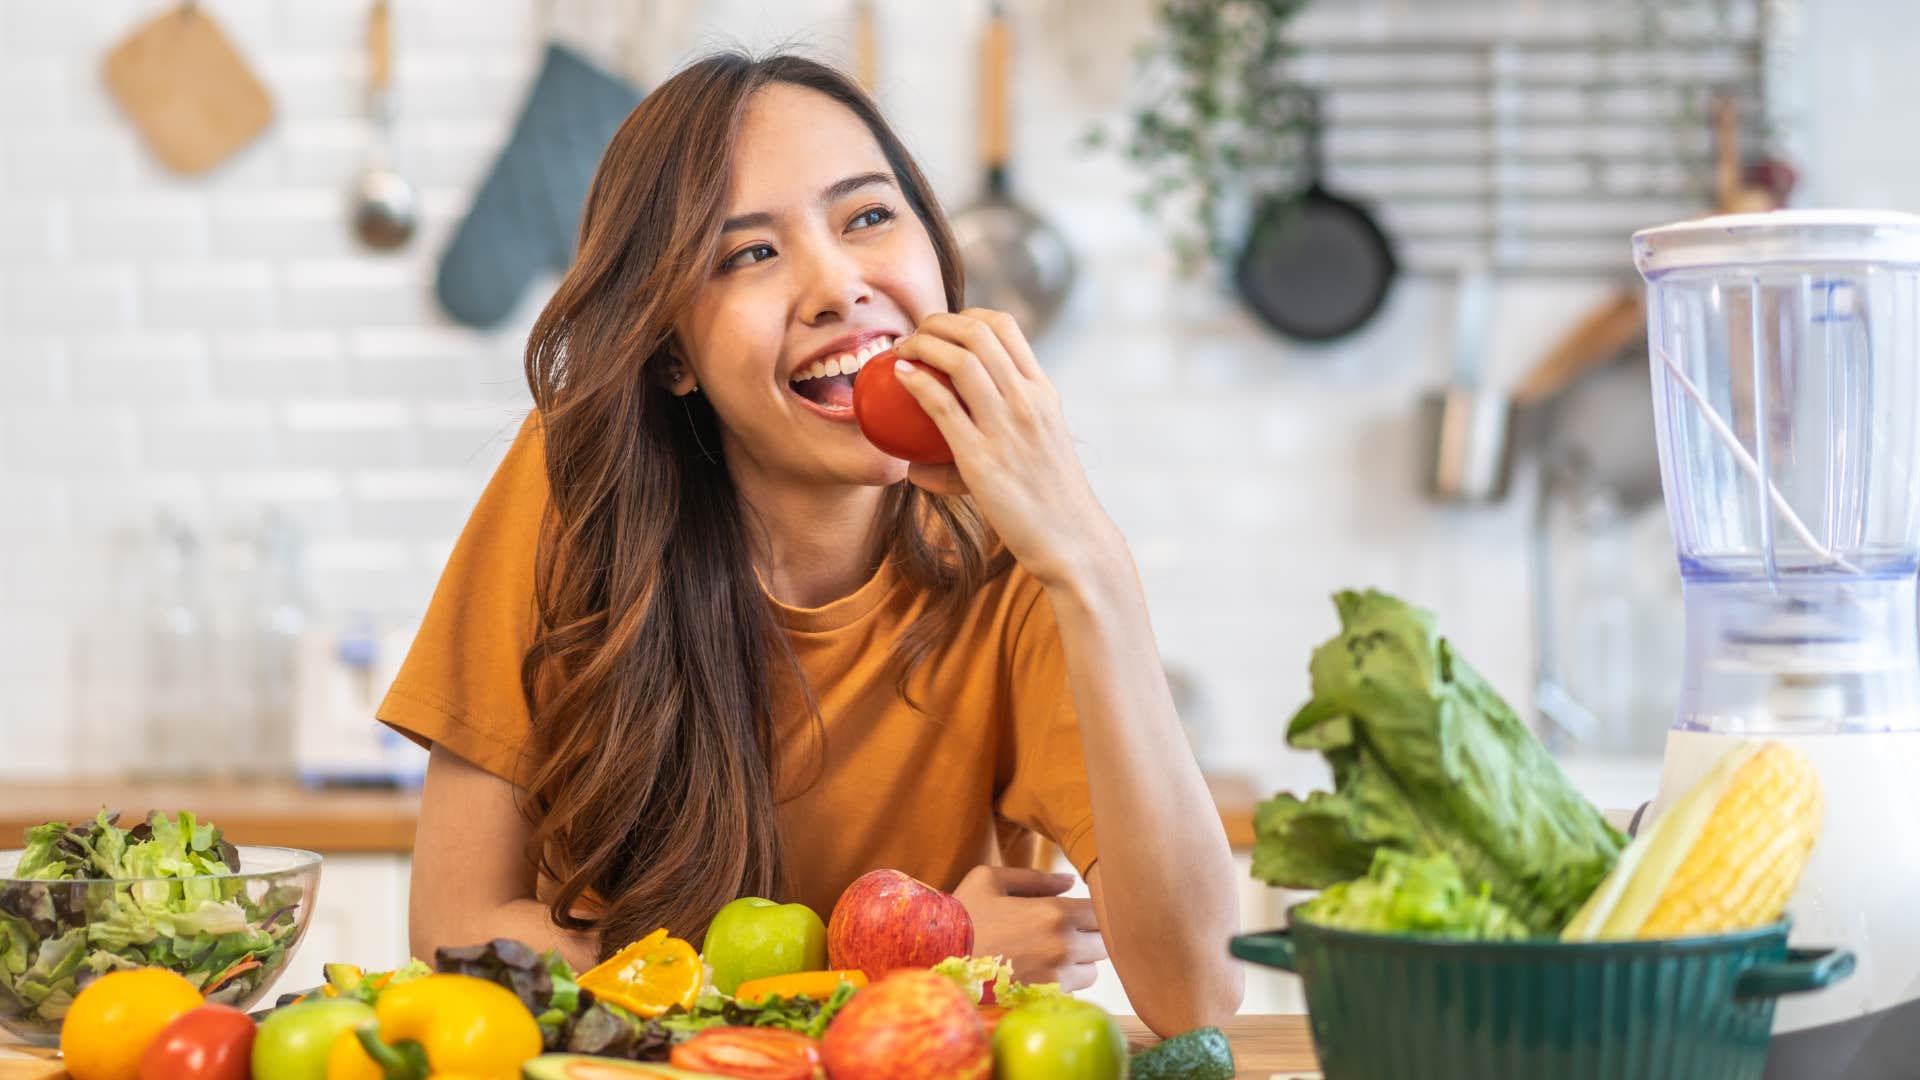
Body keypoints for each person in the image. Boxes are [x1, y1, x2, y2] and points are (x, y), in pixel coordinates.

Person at [379, 51, 1241, 1034]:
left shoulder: (1023, 554)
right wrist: (911, 955)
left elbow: (1197, 993)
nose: (837, 285)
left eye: (868, 216)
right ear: (672, 356)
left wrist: (1091, 560)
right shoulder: (574, 489)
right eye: (749, 254)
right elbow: (458, 933)